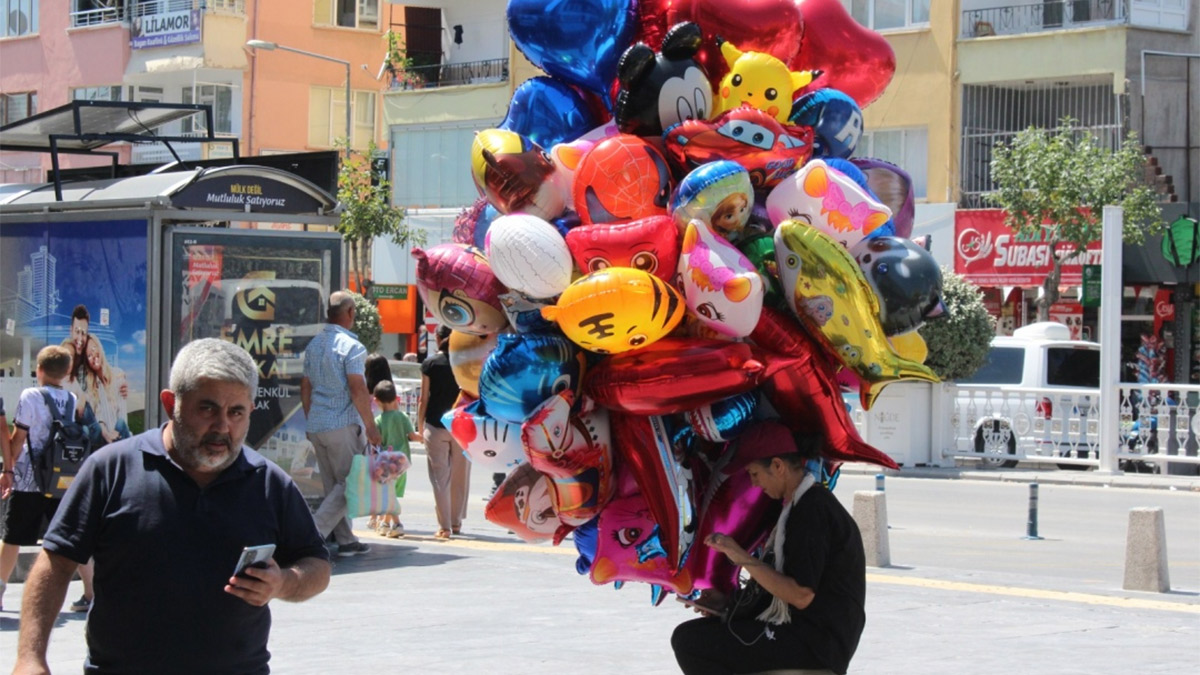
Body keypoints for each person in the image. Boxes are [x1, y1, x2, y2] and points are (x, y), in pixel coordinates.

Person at [13, 338, 331, 674]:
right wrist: (30, 658)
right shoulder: (111, 469)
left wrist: (283, 581)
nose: (222, 426)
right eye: (207, 408)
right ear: (171, 404)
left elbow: (317, 565)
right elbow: (56, 563)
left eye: (236, 412)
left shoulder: (270, 483)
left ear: (251, 409)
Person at [671, 422, 866, 675]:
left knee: (690, 642)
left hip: (817, 642)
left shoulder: (812, 510)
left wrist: (739, 556)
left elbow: (800, 595)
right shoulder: (797, 506)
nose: (754, 484)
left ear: (777, 466)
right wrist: (727, 604)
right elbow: (778, 587)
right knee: (700, 635)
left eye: (754, 474)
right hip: (806, 633)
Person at [0, 346, 95, 614]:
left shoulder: (30, 395)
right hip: (62, 480)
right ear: (66, 373)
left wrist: (8, 469)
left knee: (12, 536)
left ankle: (0, 590)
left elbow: (19, 438)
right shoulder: (71, 398)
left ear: (38, 370)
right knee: (73, 537)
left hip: (30, 479)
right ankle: (90, 593)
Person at [301, 291, 382, 557]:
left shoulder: (314, 345)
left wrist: (312, 418)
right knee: (348, 485)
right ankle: (311, 534)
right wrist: (371, 427)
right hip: (342, 425)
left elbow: (306, 387)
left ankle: (346, 540)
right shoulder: (352, 347)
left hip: (318, 424)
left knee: (333, 487)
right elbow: (358, 388)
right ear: (349, 313)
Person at [417, 326, 470, 540]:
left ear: (437, 337)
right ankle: (456, 523)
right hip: (460, 426)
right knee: (460, 475)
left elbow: (423, 398)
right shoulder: (465, 361)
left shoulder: (430, 364)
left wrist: (420, 426)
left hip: (435, 425)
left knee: (440, 478)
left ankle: (445, 527)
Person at [373, 380, 421, 538]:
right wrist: (425, 438)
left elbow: (376, 441)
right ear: (396, 398)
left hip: (387, 463)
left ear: (377, 401)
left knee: (388, 494)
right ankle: (385, 524)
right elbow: (413, 436)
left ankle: (397, 524)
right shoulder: (402, 417)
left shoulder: (379, 421)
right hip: (402, 462)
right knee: (392, 493)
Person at [81, 335, 131, 446]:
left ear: (100, 348)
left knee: (121, 423)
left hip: (120, 435)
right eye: (89, 355)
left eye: (94, 349)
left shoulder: (118, 375)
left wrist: (116, 433)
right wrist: (107, 434)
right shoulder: (91, 386)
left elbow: (122, 413)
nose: (93, 355)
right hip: (104, 439)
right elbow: (98, 417)